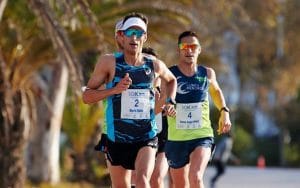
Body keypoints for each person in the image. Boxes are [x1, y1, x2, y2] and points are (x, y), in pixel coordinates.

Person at [83, 12, 177, 188]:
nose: (134, 38)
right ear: (121, 36)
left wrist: (169, 100)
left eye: (139, 33)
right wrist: (114, 90)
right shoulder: (108, 62)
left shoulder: (154, 65)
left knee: (142, 180)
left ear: (145, 37)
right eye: (130, 33)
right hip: (116, 138)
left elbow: (172, 80)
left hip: (146, 136)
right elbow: (87, 96)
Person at [165, 31, 232, 188]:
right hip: (177, 138)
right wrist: (167, 105)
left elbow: (216, 91)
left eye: (193, 46)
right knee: (180, 184)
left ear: (199, 49)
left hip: (201, 135)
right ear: (179, 49)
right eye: (185, 46)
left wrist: (224, 111)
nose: (189, 50)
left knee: (195, 177)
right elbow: (162, 97)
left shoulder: (207, 73)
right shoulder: (170, 74)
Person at [142, 47, 170, 188]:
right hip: (140, 140)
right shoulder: (133, 91)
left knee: (156, 178)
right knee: (138, 179)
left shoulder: (167, 89)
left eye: (151, 62)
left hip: (163, 140)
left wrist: (167, 105)